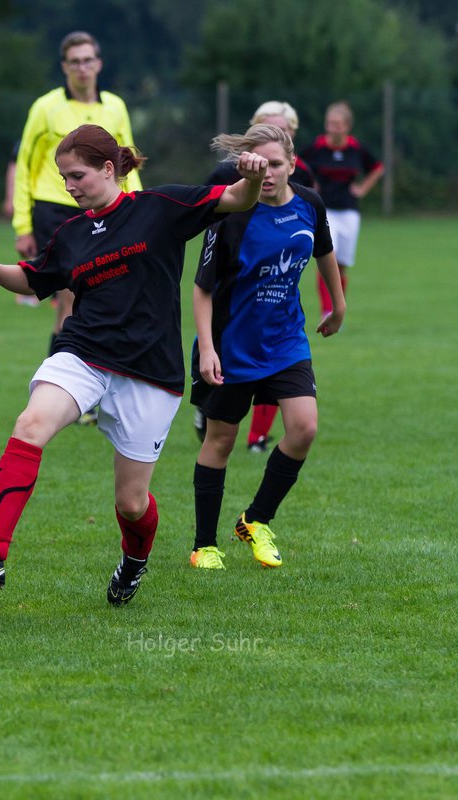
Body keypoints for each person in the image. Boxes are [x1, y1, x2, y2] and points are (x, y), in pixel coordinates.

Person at [0, 124, 267, 606]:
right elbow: (32, 280)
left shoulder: (160, 208)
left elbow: (238, 199)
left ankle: (134, 563)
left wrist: (254, 177)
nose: (69, 186)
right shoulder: (72, 234)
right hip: (84, 353)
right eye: (63, 177)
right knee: (31, 423)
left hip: (150, 372)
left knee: (131, 503)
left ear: (108, 168)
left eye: (76, 175)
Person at [189, 123, 346, 571]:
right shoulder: (231, 213)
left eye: (277, 163)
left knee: (304, 429)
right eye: (259, 165)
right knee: (221, 439)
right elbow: (202, 288)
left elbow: (324, 251)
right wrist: (206, 349)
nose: (269, 172)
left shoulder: (309, 204)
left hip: (286, 342)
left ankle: (255, 520)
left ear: (293, 164)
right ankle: (204, 545)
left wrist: (338, 305)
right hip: (231, 346)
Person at [11, 31, 142, 354]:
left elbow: (128, 162)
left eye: (87, 60)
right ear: (64, 67)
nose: (82, 68)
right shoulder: (46, 107)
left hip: (105, 209)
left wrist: (137, 206)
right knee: (69, 298)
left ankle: (93, 375)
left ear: (98, 64)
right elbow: (25, 164)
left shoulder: (115, 107)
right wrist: (22, 224)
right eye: (75, 62)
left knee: (108, 295)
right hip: (55, 208)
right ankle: (62, 384)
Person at [197, 100, 314, 452]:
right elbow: (200, 210)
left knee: (283, 376)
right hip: (232, 305)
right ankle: (213, 412)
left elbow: (313, 229)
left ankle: (258, 438)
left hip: (279, 304)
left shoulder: (301, 182)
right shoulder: (227, 175)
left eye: (285, 129)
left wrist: (335, 306)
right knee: (219, 436)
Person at [300, 101, 383, 318]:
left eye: (337, 124)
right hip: (324, 210)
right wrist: (310, 184)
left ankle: (338, 309)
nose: (332, 128)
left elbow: (377, 168)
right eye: (329, 123)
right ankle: (327, 311)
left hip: (349, 211)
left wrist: (363, 188)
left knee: (342, 264)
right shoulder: (316, 147)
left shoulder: (356, 148)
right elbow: (296, 164)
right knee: (328, 257)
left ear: (347, 126)